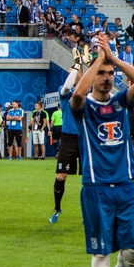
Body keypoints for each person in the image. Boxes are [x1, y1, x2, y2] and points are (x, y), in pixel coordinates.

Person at [70, 34, 134, 267]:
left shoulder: (122, 103)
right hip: (96, 187)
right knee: (101, 249)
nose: (107, 78)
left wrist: (113, 59)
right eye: (101, 73)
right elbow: (77, 95)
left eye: (110, 73)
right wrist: (98, 61)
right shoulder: (84, 107)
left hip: (125, 186)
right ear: (93, 75)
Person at [50, 66, 82, 224]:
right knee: (61, 176)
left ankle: (91, 212)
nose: (72, 75)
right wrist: (76, 68)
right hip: (68, 137)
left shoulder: (90, 92)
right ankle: (57, 208)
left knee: (91, 179)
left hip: (85, 137)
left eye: (75, 72)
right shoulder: (65, 91)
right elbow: (68, 86)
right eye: (70, 73)